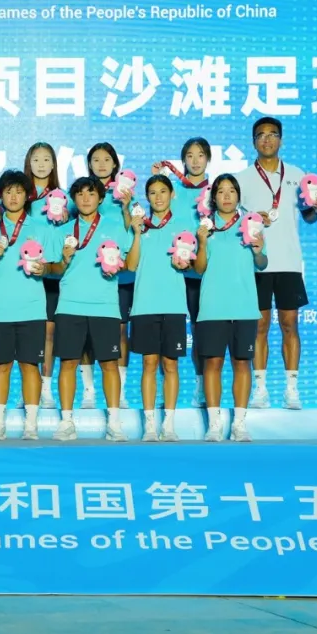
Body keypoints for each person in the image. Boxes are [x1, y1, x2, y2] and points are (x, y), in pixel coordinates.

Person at [235, 118, 317, 410]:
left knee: (290, 325)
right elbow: (231, 217)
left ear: (281, 140)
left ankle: (291, 389)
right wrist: (250, 219)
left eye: (273, 134)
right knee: (258, 327)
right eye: (261, 135)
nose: (267, 139)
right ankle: (260, 389)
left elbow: (308, 215)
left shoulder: (298, 175)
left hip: (288, 261)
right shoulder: (242, 178)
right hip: (256, 263)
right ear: (253, 141)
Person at [47, 177, 136, 441]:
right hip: (69, 306)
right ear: (73, 199)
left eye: (91, 193)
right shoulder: (63, 230)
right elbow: (52, 269)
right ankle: (66, 423)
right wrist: (63, 260)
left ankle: (114, 424)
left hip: (105, 307)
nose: (86, 199)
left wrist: (135, 235)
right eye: (80, 194)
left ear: (100, 198)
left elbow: (130, 264)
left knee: (109, 364)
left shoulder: (115, 227)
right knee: (68, 363)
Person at [0, 170, 61, 440]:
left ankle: (31, 425)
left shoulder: (40, 229)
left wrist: (44, 269)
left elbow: (56, 267)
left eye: (18, 192)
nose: (13, 197)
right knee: (0, 366)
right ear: (0, 196)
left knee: (30, 366)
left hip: (32, 309)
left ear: (27, 196)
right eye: (8, 192)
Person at [193, 173, 268, 442]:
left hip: (244, 307)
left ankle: (239, 424)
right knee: (212, 363)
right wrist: (202, 243)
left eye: (231, 191)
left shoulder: (251, 225)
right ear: (213, 197)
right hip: (212, 308)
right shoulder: (205, 227)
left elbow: (262, 264)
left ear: (238, 196)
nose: (226, 196)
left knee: (242, 364)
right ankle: (214, 425)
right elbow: (199, 268)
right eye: (221, 191)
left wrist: (258, 251)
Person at [124, 175, 195, 441]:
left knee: (171, 364)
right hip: (144, 305)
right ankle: (150, 426)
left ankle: (169, 424)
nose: (158, 197)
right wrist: (136, 234)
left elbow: (193, 263)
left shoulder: (183, 225)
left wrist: (186, 263)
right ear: (147, 197)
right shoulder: (140, 225)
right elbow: (131, 266)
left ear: (172, 194)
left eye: (163, 191)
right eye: (152, 192)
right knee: (149, 364)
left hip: (173, 305)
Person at [153, 137, 212, 409]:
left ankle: (201, 386)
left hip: (201, 272)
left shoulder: (214, 191)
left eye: (201, 155)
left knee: (201, 331)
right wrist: (158, 179)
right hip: (172, 271)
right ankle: (163, 389)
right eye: (190, 155)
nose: (195, 160)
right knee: (164, 333)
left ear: (208, 158)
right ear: (183, 160)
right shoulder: (172, 189)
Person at [87, 143, 134, 410]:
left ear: (115, 164)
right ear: (89, 164)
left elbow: (134, 232)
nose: (102, 164)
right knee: (86, 334)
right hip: (89, 275)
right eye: (96, 159)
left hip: (120, 277)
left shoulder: (126, 194)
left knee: (120, 332)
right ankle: (89, 392)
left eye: (107, 159)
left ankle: (121, 391)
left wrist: (126, 207)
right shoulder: (82, 192)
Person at [22, 142, 62, 410]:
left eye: (46, 159)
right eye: (36, 159)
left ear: (54, 164)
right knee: (25, 334)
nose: (41, 164)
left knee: (49, 332)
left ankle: (46, 387)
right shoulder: (19, 196)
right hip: (24, 274)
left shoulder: (64, 197)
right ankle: (28, 388)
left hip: (53, 272)